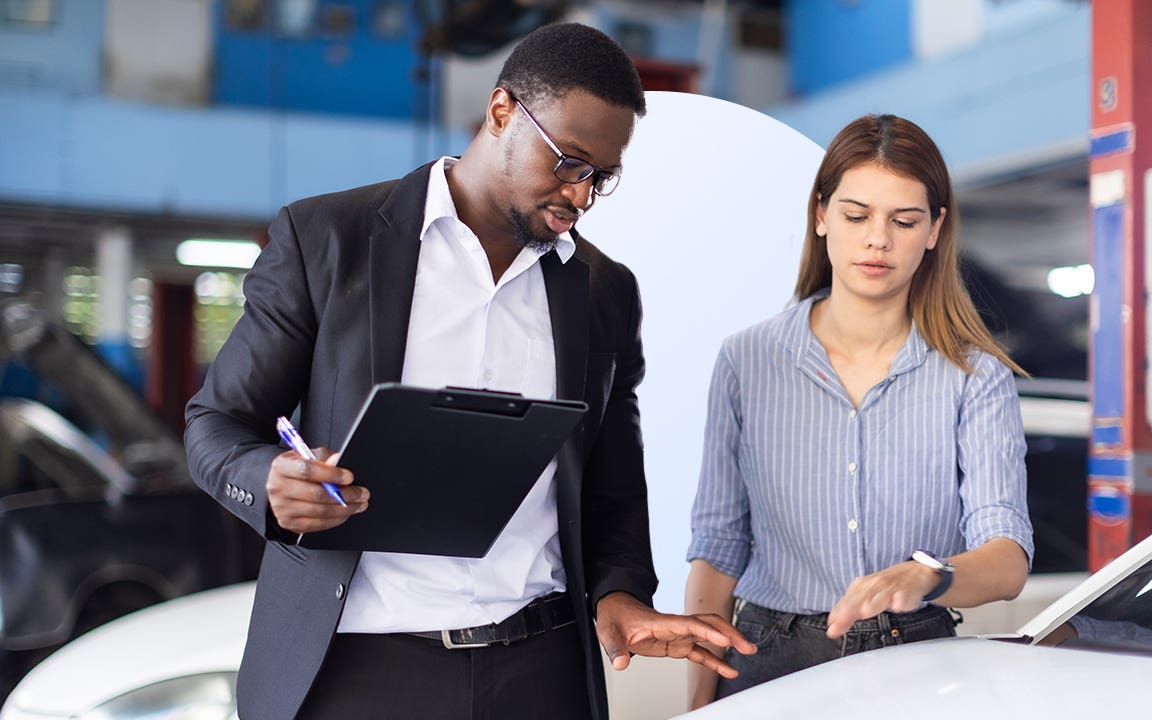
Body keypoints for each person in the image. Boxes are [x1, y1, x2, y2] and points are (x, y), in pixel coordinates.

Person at [185, 22, 752, 720]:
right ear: (502, 111)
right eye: (569, 163)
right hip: (357, 672)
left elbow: (611, 486)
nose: (581, 196)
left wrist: (621, 592)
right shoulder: (327, 241)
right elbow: (215, 425)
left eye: (602, 177)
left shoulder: (603, 290)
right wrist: (268, 484)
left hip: (540, 672)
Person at [683, 113, 1035, 708]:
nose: (879, 239)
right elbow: (717, 553)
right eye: (856, 215)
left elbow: (1006, 558)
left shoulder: (975, 376)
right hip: (770, 659)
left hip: (917, 660)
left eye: (904, 220)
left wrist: (931, 574)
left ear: (934, 230)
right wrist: (697, 705)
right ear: (820, 216)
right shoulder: (749, 360)